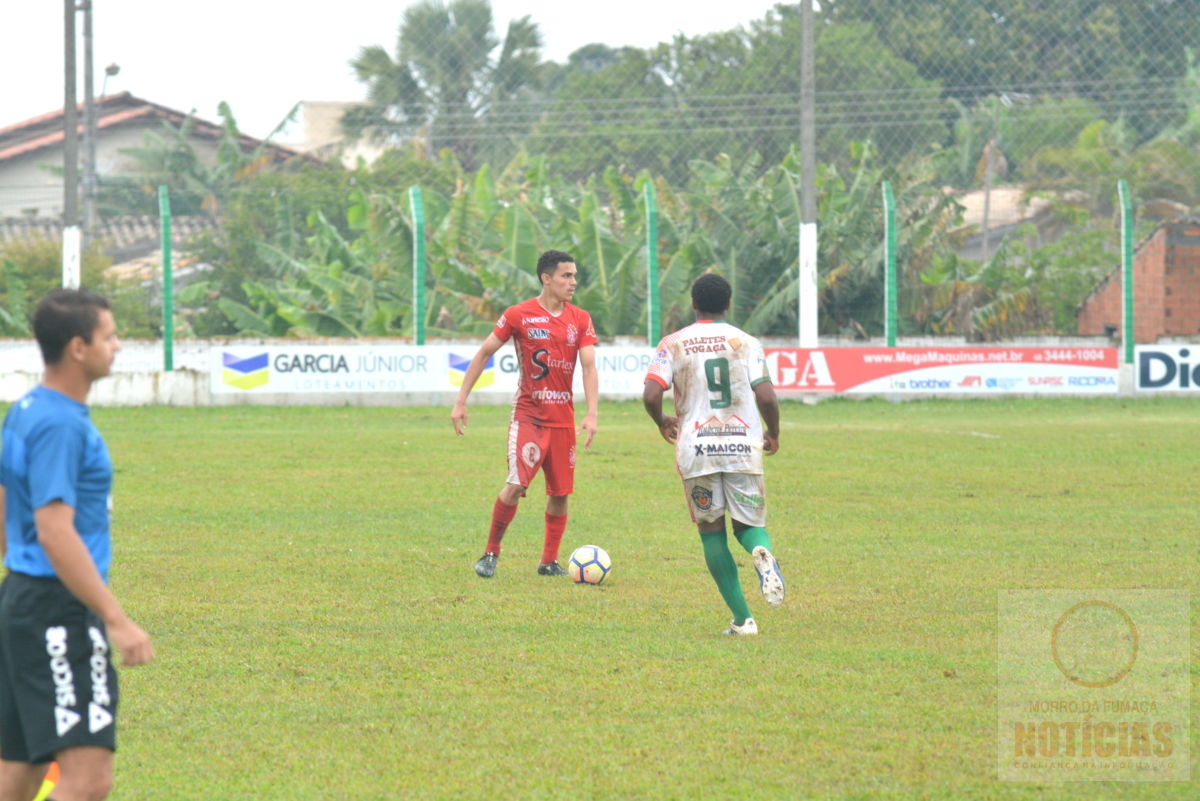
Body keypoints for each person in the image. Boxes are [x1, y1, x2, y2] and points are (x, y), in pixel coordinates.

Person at [0, 289, 154, 801]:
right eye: (109, 336)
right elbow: (54, 529)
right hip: (57, 611)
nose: (118, 346)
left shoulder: (25, 409)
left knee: (18, 773)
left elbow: (5, 504)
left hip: (23, 601)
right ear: (78, 347)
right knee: (86, 782)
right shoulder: (60, 423)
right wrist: (114, 617)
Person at [643, 273, 785, 635]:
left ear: (694, 305)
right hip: (742, 446)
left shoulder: (672, 344)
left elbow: (650, 394)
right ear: (729, 304)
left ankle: (743, 619)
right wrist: (773, 433)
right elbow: (766, 396)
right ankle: (764, 559)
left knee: (711, 532)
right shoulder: (748, 342)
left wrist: (661, 420)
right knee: (749, 526)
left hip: (697, 449)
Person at [452, 250, 599, 578]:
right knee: (516, 484)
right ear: (547, 279)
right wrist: (461, 401)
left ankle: (548, 561)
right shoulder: (519, 315)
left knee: (560, 494)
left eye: (574, 276)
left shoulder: (581, 318)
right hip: (529, 417)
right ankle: (491, 552)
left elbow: (589, 366)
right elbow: (484, 353)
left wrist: (591, 413)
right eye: (566, 276)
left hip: (563, 421)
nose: (573, 282)